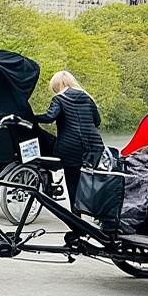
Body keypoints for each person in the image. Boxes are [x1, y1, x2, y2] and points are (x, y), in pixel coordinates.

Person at [35, 70, 104, 207]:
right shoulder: (87, 98)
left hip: (70, 148)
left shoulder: (59, 99)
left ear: (57, 85)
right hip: (94, 148)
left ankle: (76, 219)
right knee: (89, 180)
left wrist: (31, 117)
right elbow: (97, 121)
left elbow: (49, 118)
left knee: (72, 182)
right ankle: (94, 210)